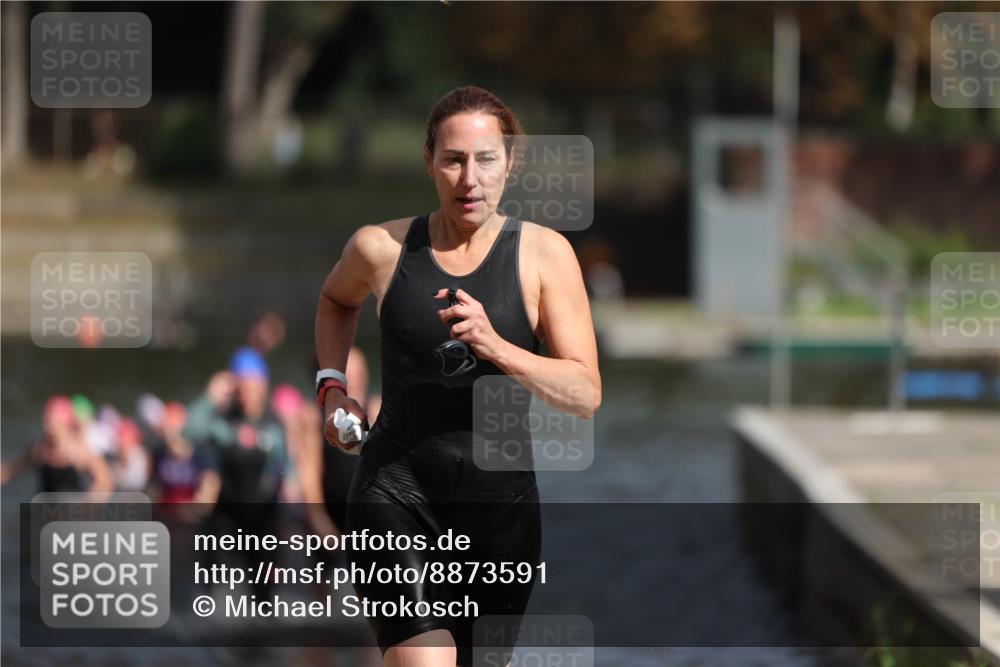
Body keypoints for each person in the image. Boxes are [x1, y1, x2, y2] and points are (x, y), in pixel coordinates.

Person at [314, 85, 601, 667]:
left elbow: (585, 394)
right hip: (395, 492)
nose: (469, 178)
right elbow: (334, 302)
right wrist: (332, 387)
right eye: (453, 160)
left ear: (510, 163)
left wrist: (497, 345)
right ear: (430, 163)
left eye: (486, 159)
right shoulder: (381, 248)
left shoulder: (545, 256)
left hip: (499, 513)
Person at [1, 395, 113, 495]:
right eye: (46, 421)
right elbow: (10, 470)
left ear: (64, 424)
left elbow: (104, 480)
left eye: (52, 422)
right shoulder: (39, 450)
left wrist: (89, 504)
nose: (48, 426)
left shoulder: (78, 451)